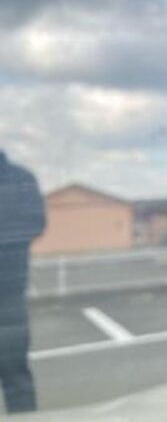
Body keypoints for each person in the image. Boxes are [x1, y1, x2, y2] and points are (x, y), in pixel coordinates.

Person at [0, 151, 45, 413]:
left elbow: (35, 223)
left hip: (10, 296)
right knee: (17, 380)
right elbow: (36, 224)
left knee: (16, 376)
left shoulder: (20, 179)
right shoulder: (21, 179)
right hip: (12, 294)